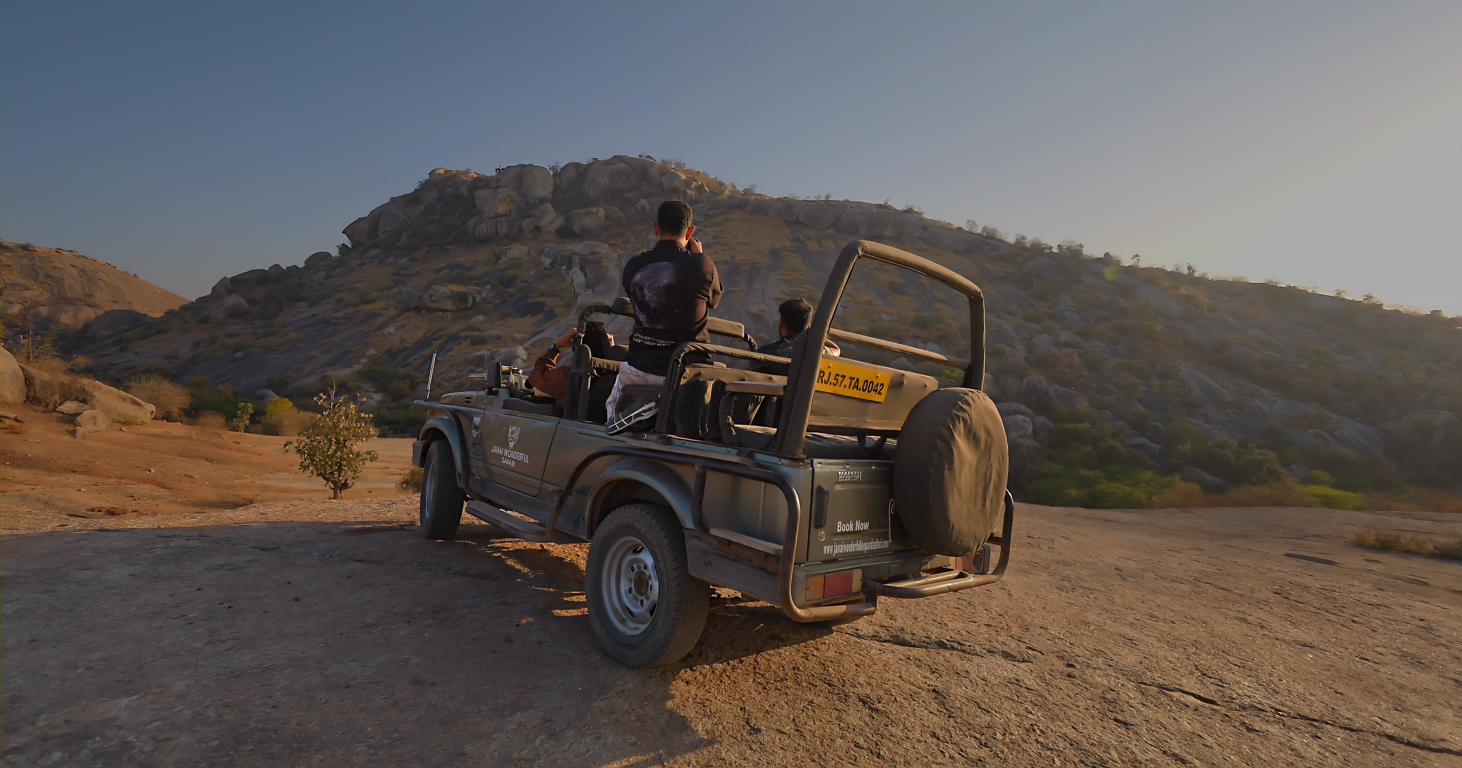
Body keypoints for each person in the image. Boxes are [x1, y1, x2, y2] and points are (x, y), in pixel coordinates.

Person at [605, 200, 721, 422]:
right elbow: (713, 301)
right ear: (690, 232)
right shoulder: (702, 265)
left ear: (656, 228)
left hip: (639, 369)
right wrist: (698, 257)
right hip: (687, 375)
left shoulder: (633, 265)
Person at [527, 322, 613, 406]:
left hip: (570, 419)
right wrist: (613, 352)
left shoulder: (569, 376)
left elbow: (536, 375)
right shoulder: (618, 376)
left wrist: (556, 347)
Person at [754, 298, 840, 373]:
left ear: (781, 324)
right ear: (809, 326)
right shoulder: (818, 351)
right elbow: (836, 350)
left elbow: (748, 378)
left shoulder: (766, 352)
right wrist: (812, 333)